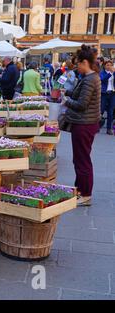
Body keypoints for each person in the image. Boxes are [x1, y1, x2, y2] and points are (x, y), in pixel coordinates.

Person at [62, 45, 101, 206]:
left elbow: (82, 104)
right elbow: (80, 95)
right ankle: (80, 190)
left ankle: (85, 193)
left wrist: (66, 101)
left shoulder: (90, 79)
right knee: (80, 158)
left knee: (82, 159)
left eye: (78, 63)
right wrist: (68, 93)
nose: (77, 66)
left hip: (85, 124)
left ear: (85, 62)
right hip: (86, 123)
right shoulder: (90, 78)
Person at [100, 59, 115, 135]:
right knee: (101, 110)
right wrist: (110, 73)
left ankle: (109, 129)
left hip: (112, 93)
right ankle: (96, 126)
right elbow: (102, 79)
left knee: (111, 112)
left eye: (110, 65)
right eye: (107, 65)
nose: (109, 67)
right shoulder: (102, 73)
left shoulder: (114, 73)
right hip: (104, 93)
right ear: (104, 66)